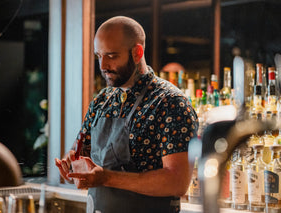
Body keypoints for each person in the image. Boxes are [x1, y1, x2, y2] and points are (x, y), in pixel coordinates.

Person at [55, 16, 198, 213]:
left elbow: (177, 181)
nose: (103, 66)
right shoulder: (101, 101)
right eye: (99, 56)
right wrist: (73, 165)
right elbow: (80, 151)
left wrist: (106, 178)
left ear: (137, 52)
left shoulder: (170, 102)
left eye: (111, 56)